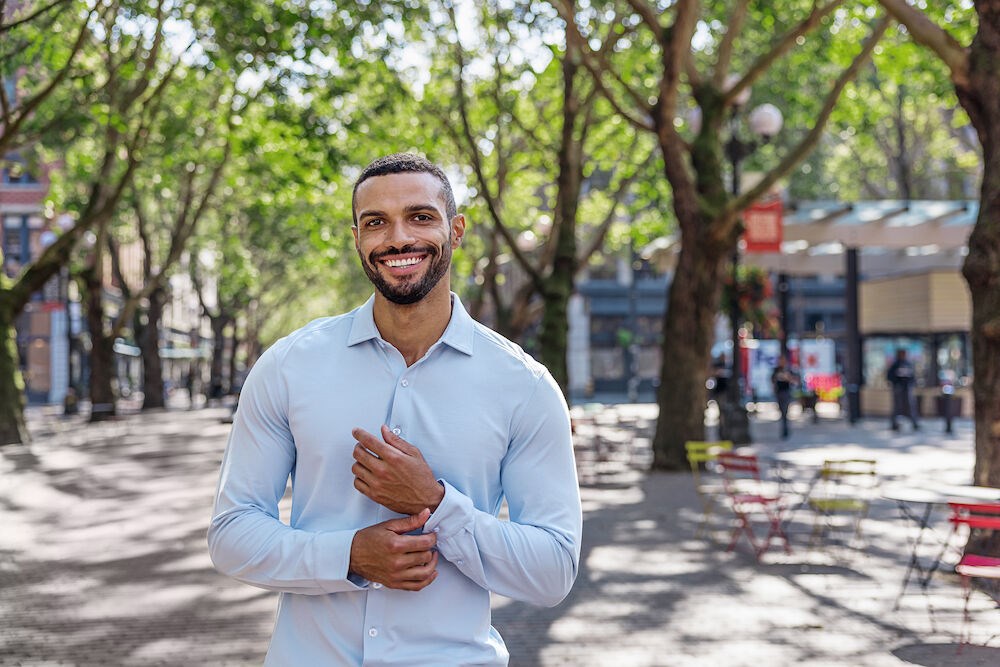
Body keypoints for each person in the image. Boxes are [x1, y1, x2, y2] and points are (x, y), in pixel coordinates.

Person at [207, 153, 582, 666]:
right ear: (357, 238)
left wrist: (436, 503)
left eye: (420, 217)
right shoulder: (288, 367)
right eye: (375, 222)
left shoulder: (524, 386)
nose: (398, 238)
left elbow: (553, 571)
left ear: (456, 230)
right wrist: (350, 555)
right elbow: (232, 534)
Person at [886, 348, 920, 431]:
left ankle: (914, 423)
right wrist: (896, 382)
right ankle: (895, 424)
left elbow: (913, 376)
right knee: (897, 407)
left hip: (907, 388)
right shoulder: (895, 365)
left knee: (911, 406)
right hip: (898, 389)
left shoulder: (908, 364)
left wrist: (910, 382)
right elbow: (889, 376)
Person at [771, 355, 796, 439]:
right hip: (779, 393)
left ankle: (785, 430)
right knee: (781, 411)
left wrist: (787, 378)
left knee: (785, 411)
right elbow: (772, 380)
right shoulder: (776, 370)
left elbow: (793, 380)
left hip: (786, 393)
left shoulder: (788, 370)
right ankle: (784, 429)